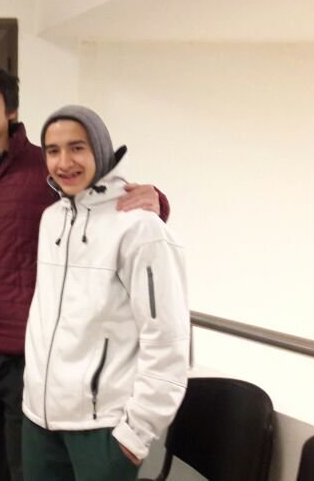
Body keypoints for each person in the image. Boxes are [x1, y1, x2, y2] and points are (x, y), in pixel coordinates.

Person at [0, 66, 169, 480]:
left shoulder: (47, 172)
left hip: (30, 360)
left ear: (11, 110)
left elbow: (104, 204)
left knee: (27, 471)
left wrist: (156, 199)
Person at [22, 105, 190, 481]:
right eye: (53, 150)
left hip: (102, 429)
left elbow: (168, 341)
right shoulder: (51, 219)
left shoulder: (141, 228)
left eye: (77, 147)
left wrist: (136, 433)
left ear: (100, 149)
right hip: (38, 421)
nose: (64, 162)